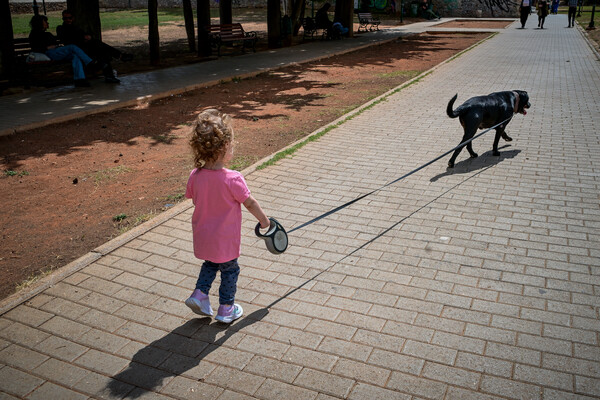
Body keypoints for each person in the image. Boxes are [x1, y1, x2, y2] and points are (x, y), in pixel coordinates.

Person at [184, 109, 270, 324]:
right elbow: (249, 202)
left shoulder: (196, 175)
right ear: (223, 148)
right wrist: (264, 220)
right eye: (231, 144)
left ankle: (200, 295)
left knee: (211, 264)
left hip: (204, 235)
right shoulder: (233, 178)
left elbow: (195, 200)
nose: (233, 148)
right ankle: (226, 308)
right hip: (225, 238)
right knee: (230, 270)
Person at [56, 10, 131, 84]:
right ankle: (119, 56)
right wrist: (82, 38)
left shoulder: (76, 27)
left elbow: (83, 35)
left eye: (69, 18)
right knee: (97, 44)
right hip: (77, 50)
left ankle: (110, 75)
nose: (67, 20)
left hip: (86, 47)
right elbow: (69, 40)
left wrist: (87, 37)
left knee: (102, 51)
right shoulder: (61, 28)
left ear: (73, 18)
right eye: (65, 18)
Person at [28, 14, 96, 87]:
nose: (47, 23)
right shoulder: (34, 35)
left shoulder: (47, 34)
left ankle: (80, 79)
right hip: (49, 53)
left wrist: (56, 46)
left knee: (75, 56)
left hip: (57, 51)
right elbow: (35, 48)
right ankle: (89, 62)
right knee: (72, 47)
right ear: (39, 23)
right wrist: (47, 48)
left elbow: (55, 43)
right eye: (45, 21)